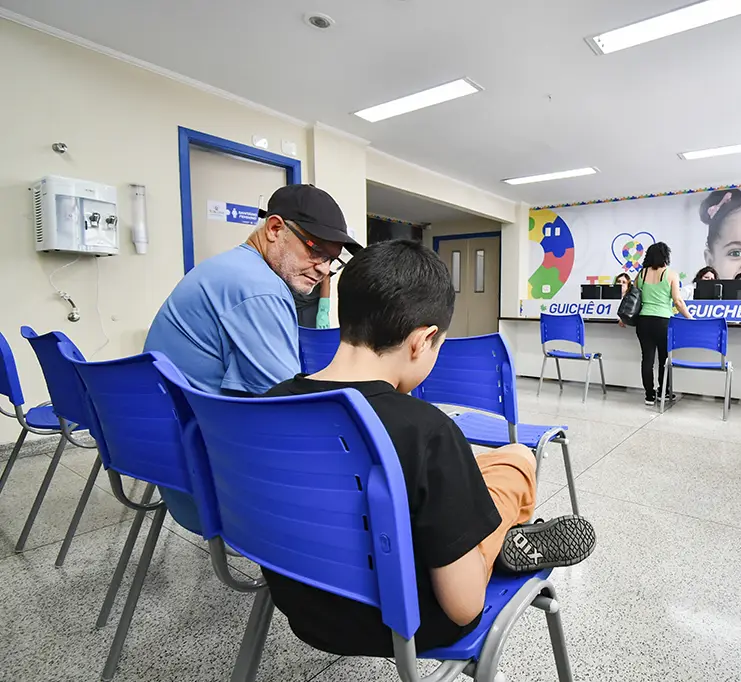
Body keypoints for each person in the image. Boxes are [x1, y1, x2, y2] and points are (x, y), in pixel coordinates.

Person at [261, 239, 596, 657]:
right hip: (411, 622)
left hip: (302, 609)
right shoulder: (428, 432)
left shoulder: (266, 404)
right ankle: (495, 539)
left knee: (475, 465)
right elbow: (463, 608)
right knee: (516, 459)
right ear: (423, 340)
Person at [144, 184, 360, 529]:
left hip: (174, 462)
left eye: (332, 260)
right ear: (275, 229)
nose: (323, 269)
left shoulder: (225, 268)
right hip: (216, 484)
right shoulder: (258, 288)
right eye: (315, 250)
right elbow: (286, 413)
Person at [634, 242, 694, 406]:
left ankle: (649, 395)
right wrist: (690, 318)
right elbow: (678, 301)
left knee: (647, 358)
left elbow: (633, 297)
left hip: (643, 321)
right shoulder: (671, 274)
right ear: (666, 256)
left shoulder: (641, 274)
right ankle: (664, 393)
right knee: (663, 359)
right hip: (663, 321)